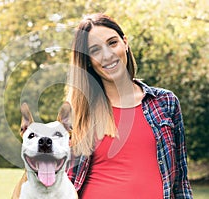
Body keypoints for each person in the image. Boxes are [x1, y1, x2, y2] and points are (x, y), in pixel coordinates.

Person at [66, 13, 193, 199]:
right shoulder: (79, 111)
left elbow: (180, 181)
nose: (107, 55)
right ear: (88, 61)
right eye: (95, 50)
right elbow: (63, 181)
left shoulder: (165, 102)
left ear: (125, 43)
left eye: (112, 43)